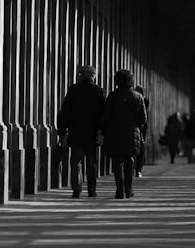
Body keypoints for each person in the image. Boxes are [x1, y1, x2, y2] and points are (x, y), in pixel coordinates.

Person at [56, 64, 106, 198]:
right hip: (92, 134)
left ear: (81, 75)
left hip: (76, 133)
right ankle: (91, 190)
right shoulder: (98, 91)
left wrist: (62, 132)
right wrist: (102, 131)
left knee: (76, 162)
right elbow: (104, 114)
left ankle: (77, 189)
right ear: (93, 76)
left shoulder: (74, 90)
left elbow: (64, 112)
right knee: (91, 163)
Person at [99, 69, 147, 199]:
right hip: (132, 134)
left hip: (114, 133)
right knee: (129, 161)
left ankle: (119, 190)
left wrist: (103, 129)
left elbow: (105, 117)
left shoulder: (112, 96)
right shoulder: (138, 96)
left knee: (117, 162)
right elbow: (143, 119)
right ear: (131, 81)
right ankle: (129, 189)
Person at [133, 86, 150, 177]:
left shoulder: (144, 102)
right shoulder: (133, 100)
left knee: (140, 149)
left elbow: (144, 118)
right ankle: (134, 169)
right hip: (135, 128)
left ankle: (138, 169)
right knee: (133, 149)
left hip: (141, 129)